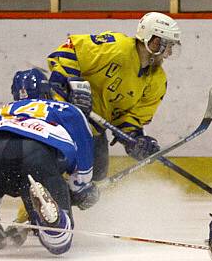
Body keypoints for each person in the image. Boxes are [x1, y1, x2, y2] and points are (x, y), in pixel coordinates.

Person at [0, 68, 99, 254]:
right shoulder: (68, 109)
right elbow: (83, 153)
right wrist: (81, 189)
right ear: (47, 91)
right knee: (60, 242)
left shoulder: (3, 110)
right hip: (38, 155)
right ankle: (51, 223)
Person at [47, 11, 181, 180]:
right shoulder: (117, 47)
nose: (168, 53)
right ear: (155, 42)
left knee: (96, 180)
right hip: (61, 118)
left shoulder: (157, 81)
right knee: (50, 170)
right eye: (168, 46)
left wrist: (135, 139)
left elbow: (132, 117)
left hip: (92, 128)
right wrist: (72, 84)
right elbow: (69, 50)